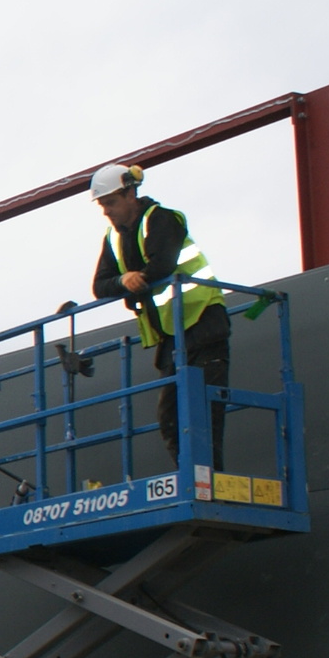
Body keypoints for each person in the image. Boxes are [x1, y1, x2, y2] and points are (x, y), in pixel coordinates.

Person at [89, 162, 229, 468]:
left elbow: (163, 264)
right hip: (170, 336)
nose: (106, 212)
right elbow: (100, 286)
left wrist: (133, 281)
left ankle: (206, 482)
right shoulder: (114, 239)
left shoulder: (162, 219)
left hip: (203, 324)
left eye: (110, 203)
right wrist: (123, 281)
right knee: (170, 418)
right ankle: (194, 478)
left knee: (202, 411)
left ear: (130, 194)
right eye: (102, 205)